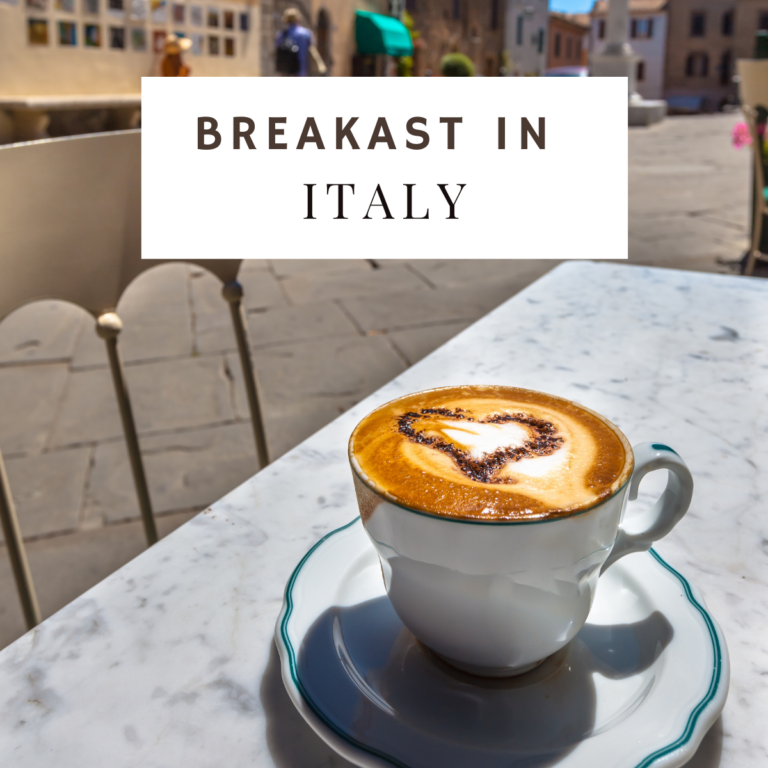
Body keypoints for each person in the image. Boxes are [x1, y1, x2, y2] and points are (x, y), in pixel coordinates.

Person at [275, 8, 326, 77]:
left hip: (287, 72)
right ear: (297, 19)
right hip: (303, 70)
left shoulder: (282, 34)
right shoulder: (306, 33)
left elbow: (276, 48)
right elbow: (312, 48)